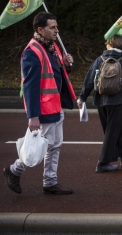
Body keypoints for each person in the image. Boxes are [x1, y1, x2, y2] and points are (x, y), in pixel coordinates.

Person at [3, 12, 77, 195]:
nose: (56, 31)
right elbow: (30, 87)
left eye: (56, 27)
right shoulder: (32, 51)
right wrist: (33, 116)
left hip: (55, 105)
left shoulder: (52, 47)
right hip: (44, 108)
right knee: (39, 146)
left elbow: (58, 74)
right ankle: (14, 171)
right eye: (52, 27)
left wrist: (67, 65)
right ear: (40, 30)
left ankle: (50, 181)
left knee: (54, 144)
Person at [78, 35, 122, 173]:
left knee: (111, 130)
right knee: (112, 131)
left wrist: (82, 98)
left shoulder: (99, 60)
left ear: (109, 45)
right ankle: (102, 163)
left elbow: (89, 80)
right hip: (116, 100)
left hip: (100, 99)